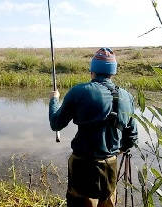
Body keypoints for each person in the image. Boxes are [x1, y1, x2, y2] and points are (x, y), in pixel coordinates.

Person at [49, 48, 138, 207]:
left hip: (82, 165)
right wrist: (117, 151)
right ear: (113, 72)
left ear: (92, 70)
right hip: (110, 164)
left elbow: (56, 123)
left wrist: (54, 100)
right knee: (108, 202)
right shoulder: (127, 97)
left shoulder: (78, 92)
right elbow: (132, 137)